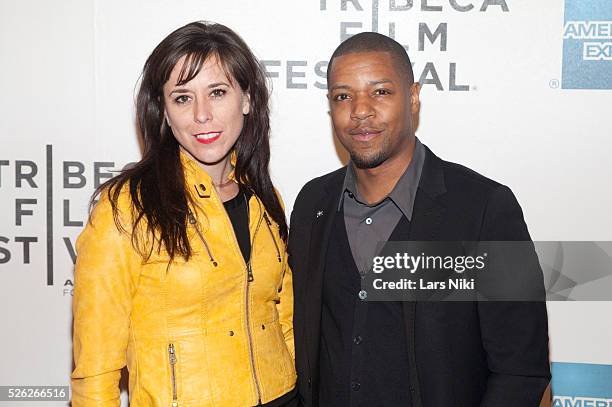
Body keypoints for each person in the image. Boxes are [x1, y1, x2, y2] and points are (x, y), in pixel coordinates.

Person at [288, 32, 550, 407]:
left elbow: (521, 370)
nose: (360, 111)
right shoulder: (313, 203)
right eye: (343, 96)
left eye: (380, 92)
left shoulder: (485, 208)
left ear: (412, 98)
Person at [71, 22, 297, 407]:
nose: (202, 115)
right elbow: (95, 365)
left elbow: (284, 317)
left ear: (246, 99)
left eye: (218, 92)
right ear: (163, 110)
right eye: (182, 98)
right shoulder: (127, 208)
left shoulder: (264, 197)